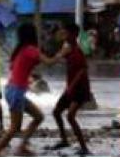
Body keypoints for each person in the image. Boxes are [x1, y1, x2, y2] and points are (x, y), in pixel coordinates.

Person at [0, 23, 59, 157]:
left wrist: (28, 80)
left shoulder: (20, 50)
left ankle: (22, 146)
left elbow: (15, 69)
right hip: (16, 92)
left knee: (39, 117)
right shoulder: (31, 50)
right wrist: (63, 52)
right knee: (14, 127)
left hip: (12, 90)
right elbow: (49, 62)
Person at [46, 22, 92, 155]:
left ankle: (84, 147)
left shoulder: (77, 51)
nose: (63, 35)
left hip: (80, 89)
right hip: (70, 88)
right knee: (56, 112)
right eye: (63, 33)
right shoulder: (68, 49)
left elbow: (82, 71)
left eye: (66, 33)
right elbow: (56, 58)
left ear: (74, 34)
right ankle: (64, 139)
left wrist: (71, 87)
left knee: (70, 116)